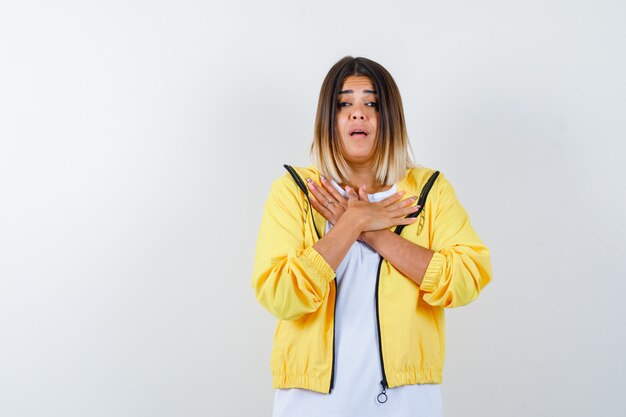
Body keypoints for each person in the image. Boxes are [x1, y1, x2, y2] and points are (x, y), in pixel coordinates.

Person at [251, 56, 492, 417]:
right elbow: (280, 295)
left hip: (407, 401)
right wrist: (352, 223)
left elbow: (466, 279)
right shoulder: (297, 192)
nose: (358, 114)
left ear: (390, 117)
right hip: (311, 403)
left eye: (372, 104)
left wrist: (376, 235)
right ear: (327, 119)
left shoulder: (429, 191)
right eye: (344, 103)